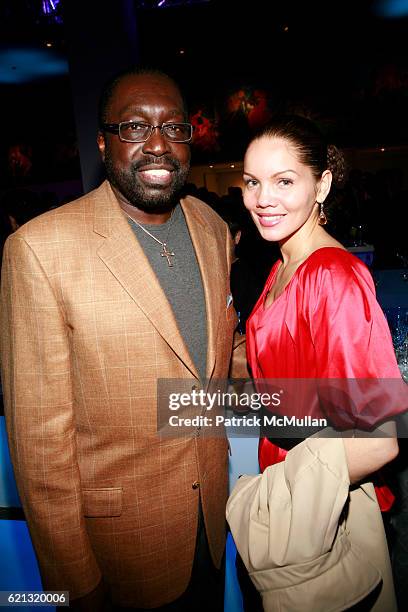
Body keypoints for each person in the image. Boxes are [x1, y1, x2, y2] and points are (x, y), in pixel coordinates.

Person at [0, 67, 246, 611]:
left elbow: (216, 361)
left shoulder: (209, 225)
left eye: (174, 128)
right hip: (116, 555)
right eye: (134, 128)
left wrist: (335, 393)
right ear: (102, 142)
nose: (157, 145)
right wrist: (73, 587)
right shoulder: (39, 249)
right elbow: (40, 453)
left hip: (210, 530)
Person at [233, 115, 407, 610]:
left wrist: (280, 497)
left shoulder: (332, 276)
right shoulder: (282, 263)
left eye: (284, 181)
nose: (263, 199)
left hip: (322, 503)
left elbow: (379, 441)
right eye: (252, 182)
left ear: (322, 184)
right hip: (292, 485)